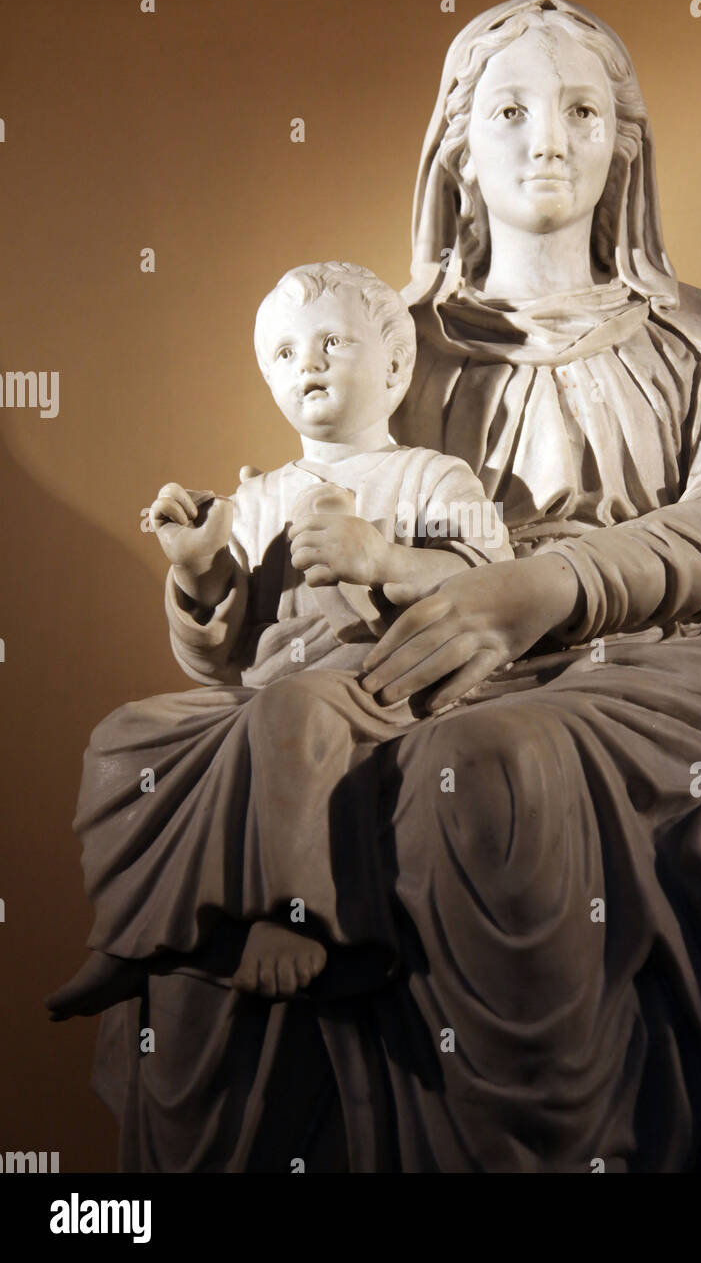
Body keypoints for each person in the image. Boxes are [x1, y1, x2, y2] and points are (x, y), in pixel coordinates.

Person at [58, 0, 701, 1174]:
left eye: (580, 110)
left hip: (646, 675)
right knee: (165, 760)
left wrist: (545, 589)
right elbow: (266, 607)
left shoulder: (697, 338)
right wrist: (205, 595)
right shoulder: (379, 340)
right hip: (390, 672)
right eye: (509, 110)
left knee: (488, 770)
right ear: (457, 146)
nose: (546, 138)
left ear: (624, 146)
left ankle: (545, 1147)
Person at [46, 260, 512, 1020]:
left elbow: (494, 582)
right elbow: (217, 657)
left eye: (332, 342)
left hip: (378, 690)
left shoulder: (432, 477)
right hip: (264, 695)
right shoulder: (257, 498)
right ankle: (134, 936)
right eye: (286, 355)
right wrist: (200, 569)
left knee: (289, 713)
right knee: (126, 736)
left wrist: (384, 560)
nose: (310, 365)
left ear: (396, 366)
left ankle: (296, 916)